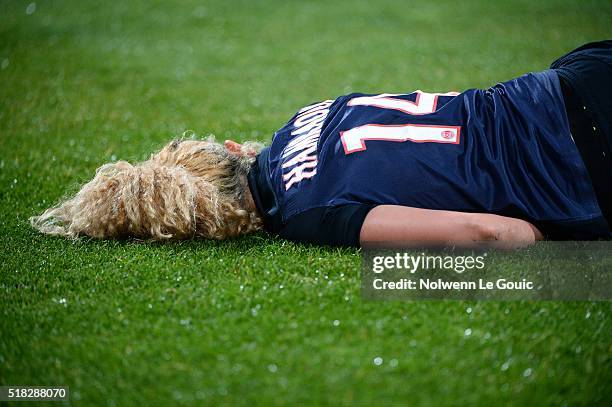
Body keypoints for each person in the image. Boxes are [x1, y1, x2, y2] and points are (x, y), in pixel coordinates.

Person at [31, 41, 612, 249]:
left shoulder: (305, 216)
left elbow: (496, 234)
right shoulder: (302, 118)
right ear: (232, 148)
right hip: (568, 78)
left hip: (580, 162)